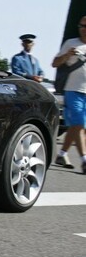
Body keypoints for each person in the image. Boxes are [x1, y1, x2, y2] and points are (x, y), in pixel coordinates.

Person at [52, 16, 86, 174]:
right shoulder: (71, 43)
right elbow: (55, 63)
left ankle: (62, 154)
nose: (84, 28)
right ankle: (84, 160)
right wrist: (66, 56)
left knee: (78, 127)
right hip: (73, 90)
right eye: (82, 25)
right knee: (79, 124)